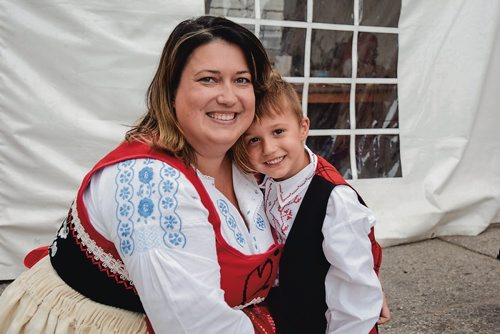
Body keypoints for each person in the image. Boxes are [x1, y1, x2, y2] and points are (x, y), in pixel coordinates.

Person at [0, 16, 282, 334]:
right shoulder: (149, 184)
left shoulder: (253, 160)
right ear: (171, 89)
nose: (229, 97)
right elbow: (193, 326)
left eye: (241, 80)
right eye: (208, 80)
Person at [234, 72, 390, 333]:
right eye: (253, 139)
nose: (269, 148)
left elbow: (355, 287)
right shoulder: (260, 181)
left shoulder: (334, 200)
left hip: (326, 320)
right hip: (289, 313)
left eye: (278, 131)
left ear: (303, 128)